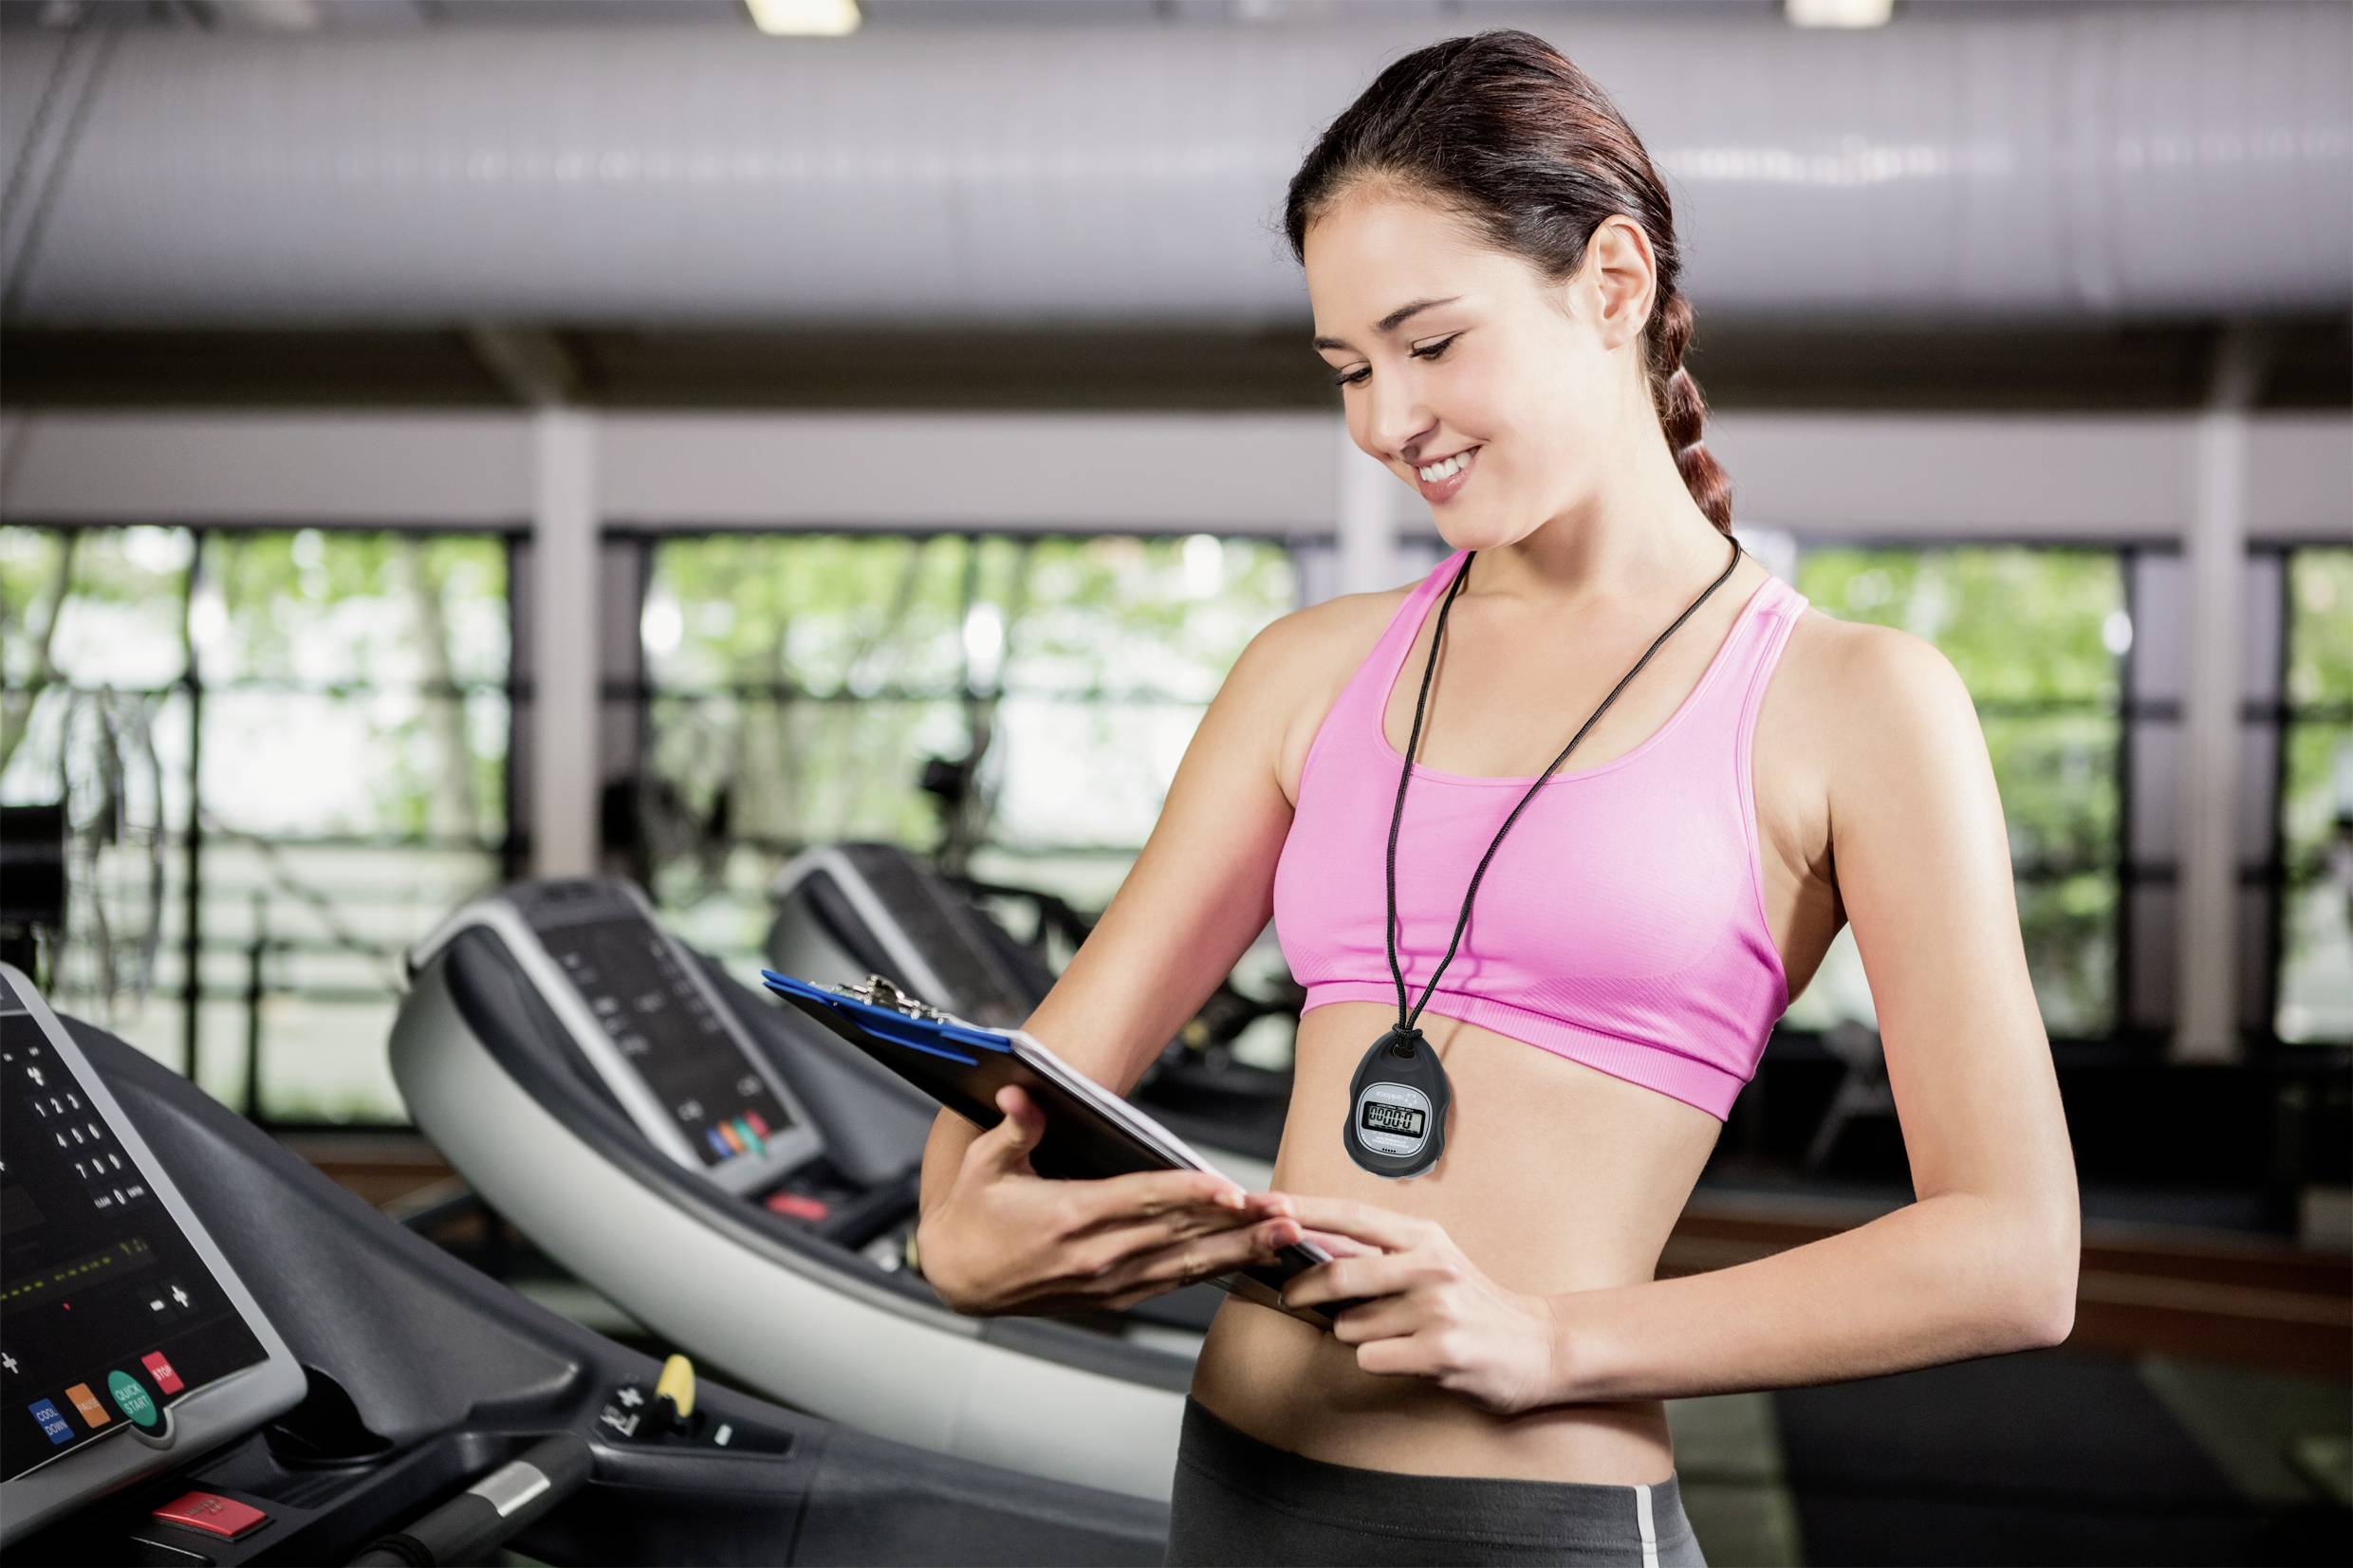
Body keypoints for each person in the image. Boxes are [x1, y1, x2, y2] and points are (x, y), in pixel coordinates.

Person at [914, 28, 2080, 1567]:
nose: (1388, 420)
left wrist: (1549, 1337)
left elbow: (2013, 1251)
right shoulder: (1306, 672)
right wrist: (967, 1232)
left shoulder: (1856, 704)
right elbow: (1028, 1088)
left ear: (1612, 282)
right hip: (1238, 1491)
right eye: (1348, 367)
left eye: (1430, 342)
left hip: (1535, 1517)